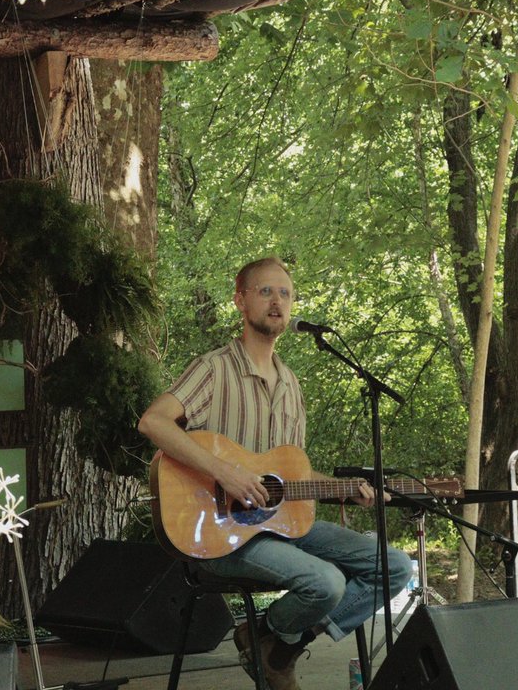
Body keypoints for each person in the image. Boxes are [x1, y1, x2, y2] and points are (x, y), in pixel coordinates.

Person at [138, 256, 413, 690]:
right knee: (325, 582)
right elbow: (153, 421)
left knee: (395, 567)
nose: (277, 301)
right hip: (219, 532)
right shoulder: (214, 369)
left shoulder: (291, 386)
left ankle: (272, 641)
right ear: (240, 301)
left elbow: (287, 476)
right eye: (265, 291)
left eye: (284, 293)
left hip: (279, 528)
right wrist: (224, 473)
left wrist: (345, 490)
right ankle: (275, 647)